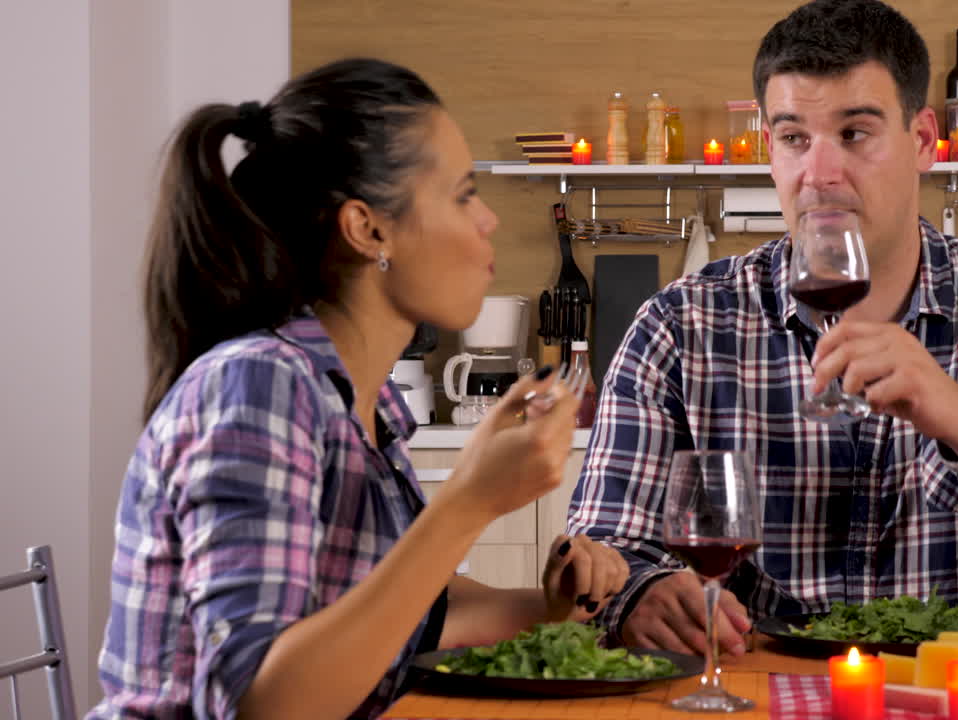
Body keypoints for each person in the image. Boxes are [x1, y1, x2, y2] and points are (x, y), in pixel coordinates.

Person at [565, 0, 958, 658]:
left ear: (922, 141)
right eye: (794, 138)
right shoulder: (680, 326)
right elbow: (603, 554)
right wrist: (638, 593)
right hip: (762, 695)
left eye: (856, 133)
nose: (820, 174)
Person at [88, 58, 628, 720]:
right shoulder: (256, 385)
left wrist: (548, 606)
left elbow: (409, 609)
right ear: (368, 229)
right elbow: (262, 703)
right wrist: (467, 504)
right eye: (462, 194)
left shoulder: (358, 403)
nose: (487, 221)